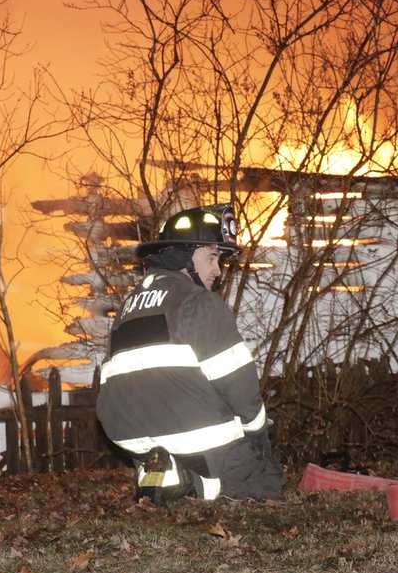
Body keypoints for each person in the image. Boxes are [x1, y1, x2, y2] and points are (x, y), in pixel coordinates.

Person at [95, 204, 284, 505]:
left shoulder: (128, 307)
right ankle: (198, 485)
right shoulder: (198, 302)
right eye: (211, 257)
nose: (217, 270)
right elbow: (239, 386)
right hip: (198, 442)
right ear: (184, 257)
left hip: (140, 446)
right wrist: (258, 437)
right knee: (265, 479)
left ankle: (170, 481)